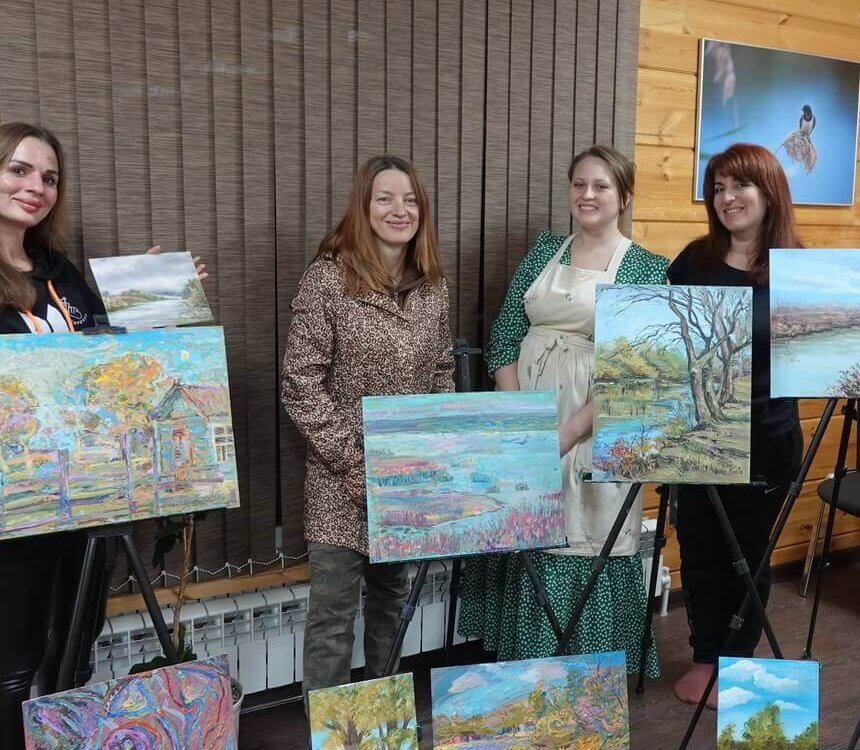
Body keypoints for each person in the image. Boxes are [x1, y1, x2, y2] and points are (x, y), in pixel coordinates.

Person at [0, 122, 206, 749]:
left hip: (92, 489)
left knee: (75, 644)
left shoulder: (57, 270)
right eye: (19, 170)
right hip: (12, 499)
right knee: (17, 660)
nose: (36, 187)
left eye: (49, 178)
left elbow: (106, 355)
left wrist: (146, 300)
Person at [456, 145, 669, 676]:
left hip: (598, 421)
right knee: (526, 528)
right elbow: (505, 335)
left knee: (586, 531)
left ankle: (582, 676)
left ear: (624, 196)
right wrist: (522, 420)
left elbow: (639, 371)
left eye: (600, 186)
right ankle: (525, 671)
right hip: (528, 413)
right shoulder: (544, 252)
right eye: (579, 184)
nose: (587, 195)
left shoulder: (647, 268)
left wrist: (571, 431)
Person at [282, 155, 454, 694]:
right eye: (385, 198)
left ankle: (382, 723)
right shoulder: (328, 278)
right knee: (332, 618)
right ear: (364, 206)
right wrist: (356, 465)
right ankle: (329, 730)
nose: (399, 210)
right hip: (341, 481)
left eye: (410, 200)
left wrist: (431, 451)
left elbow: (442, 370)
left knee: (391, 606)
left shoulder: (433, 287)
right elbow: (299, 383)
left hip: (405, 481)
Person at [666, 143, 804, 706]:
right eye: (718, 188)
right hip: (698, 435)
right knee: (698, 549)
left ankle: (736, 661)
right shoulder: (692, 261)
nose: (727, 198)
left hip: (767, 438)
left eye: (739, 185)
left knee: (748, 556)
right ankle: (704, 657)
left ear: (769, 191)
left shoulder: (798, 271)